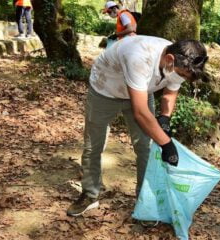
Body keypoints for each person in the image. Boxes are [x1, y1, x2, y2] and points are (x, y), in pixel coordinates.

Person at [66, 35, 209, 217]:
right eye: (181, 74)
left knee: (146, 147)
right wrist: (166, 144)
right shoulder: (139, 56)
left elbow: (169, 94)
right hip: (105, 90)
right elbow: (140, 112)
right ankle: (90, 193)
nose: (181, 78)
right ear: (169, 59)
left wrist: (164, 118)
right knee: (93, 145)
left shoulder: (181, 63)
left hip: (141, 91)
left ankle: (144, 199)